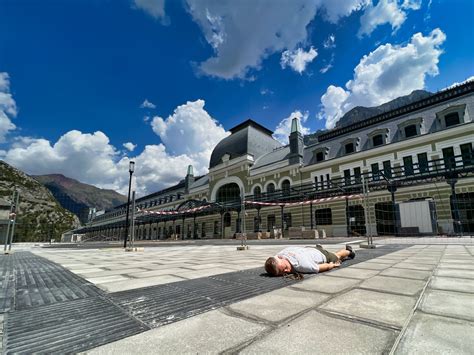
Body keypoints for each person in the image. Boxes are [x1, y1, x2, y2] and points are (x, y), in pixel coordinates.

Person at [265, 245, 355, 277]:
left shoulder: (302, 265)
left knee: (337, 255)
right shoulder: (281, 255)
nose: (286, 271)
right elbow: (273, 259)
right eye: (282, 272)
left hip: (322, 255)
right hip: (309, 249)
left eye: (284, 268)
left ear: (280, 259)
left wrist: (332, 265)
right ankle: (319, 247)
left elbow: (320, 268)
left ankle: (349, 251)